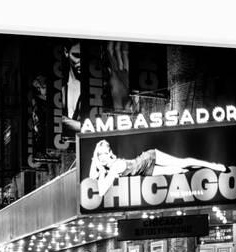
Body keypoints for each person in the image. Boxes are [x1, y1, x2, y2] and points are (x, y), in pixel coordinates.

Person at [88, 139, 227, 196]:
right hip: (146, 171)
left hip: (149, 157)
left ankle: (212, 165)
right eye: (106, 153)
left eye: (109, 151)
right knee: (180, 170)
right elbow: (92, 177)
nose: (110, 154)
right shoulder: (109, 168)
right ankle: (206, 168)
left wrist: (99, 167)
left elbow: (101, 191)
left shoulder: (114, 168)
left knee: (182, 163)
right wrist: (96, 163)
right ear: (101, 158)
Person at [62, 40, 82, 136]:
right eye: (76, 55)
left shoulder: (99, 88)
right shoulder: (60, 88)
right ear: (66, 52)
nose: (81, 61)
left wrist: (66, 122)